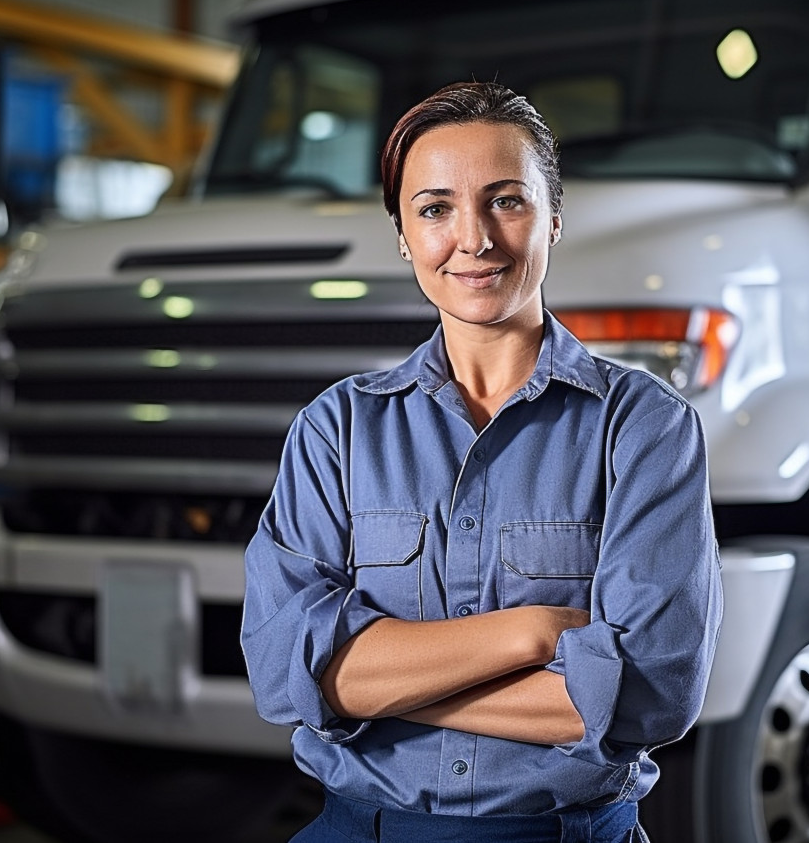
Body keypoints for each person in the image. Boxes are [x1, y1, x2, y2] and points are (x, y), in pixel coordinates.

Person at [241, 81, 723, 843]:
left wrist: (363, 686)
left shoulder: (644, 429)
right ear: (402, 232)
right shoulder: (335, 430)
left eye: (506, 201)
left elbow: (651, 693)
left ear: (554, 217)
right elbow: (280, 671)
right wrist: (531, 633)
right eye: (434, 208)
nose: (474, 238)